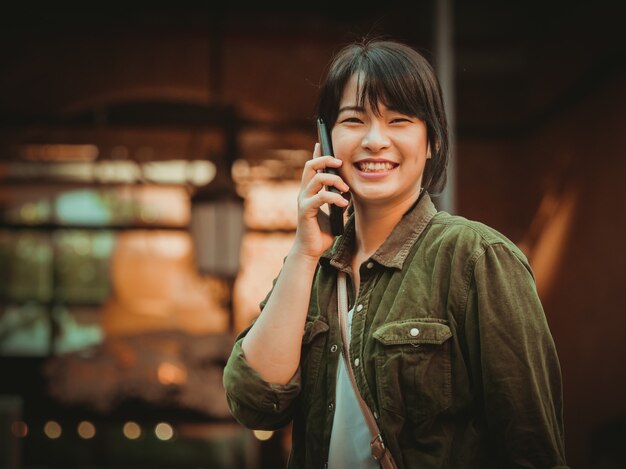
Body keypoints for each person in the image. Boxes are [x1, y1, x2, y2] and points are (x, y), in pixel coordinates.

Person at [223, 38, 568, 468]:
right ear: (326, 140)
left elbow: (532, 450)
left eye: (399, 120)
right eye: (354, 120)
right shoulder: (311, 269)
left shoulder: (478, 258)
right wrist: (303, 251)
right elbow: (254, 403)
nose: (374, 140)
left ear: (432, 143)